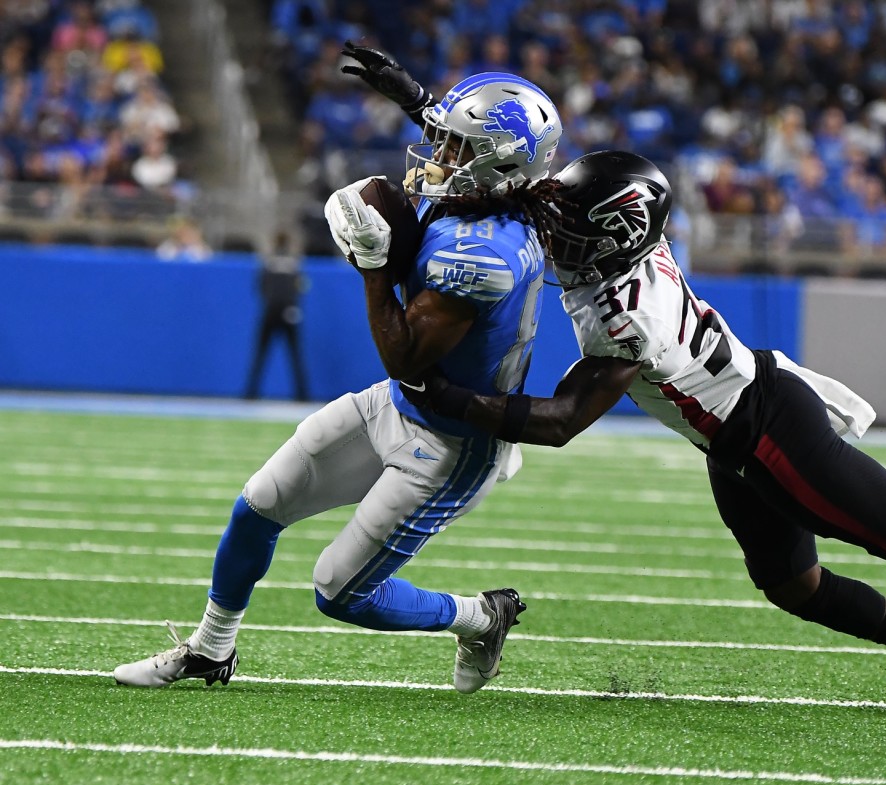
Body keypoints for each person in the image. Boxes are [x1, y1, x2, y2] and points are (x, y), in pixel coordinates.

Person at [401, 150, 886, 714]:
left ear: (614, 237)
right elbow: (525, 189)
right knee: (793, 587)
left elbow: (560, 421)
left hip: (764, 432)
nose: (558, 234)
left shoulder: (625, 314)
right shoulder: (622, 249)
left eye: (577, 226)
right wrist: (429, 115)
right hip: (734, 429)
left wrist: (445, 392)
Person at [113, 51, 565, 695]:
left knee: (339, 591)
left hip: (450, 444)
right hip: (400, 404)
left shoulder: (487, 254)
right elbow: (480, 160)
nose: (436, 155)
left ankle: (482, 615)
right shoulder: (495, 189)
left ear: (495, 166)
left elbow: (404, 353)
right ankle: (211, 649)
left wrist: (375, 265)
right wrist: (414, 99)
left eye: (456, 147)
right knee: (258, 506)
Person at [245, 229, 310, 402]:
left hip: (271, 311)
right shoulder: (294, 263)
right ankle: (302, 394)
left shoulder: (268, 262)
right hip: (289, 311)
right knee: (295, 354)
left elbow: (261, 286)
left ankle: (250, 393)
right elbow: (299, 287)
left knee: (261, 352)